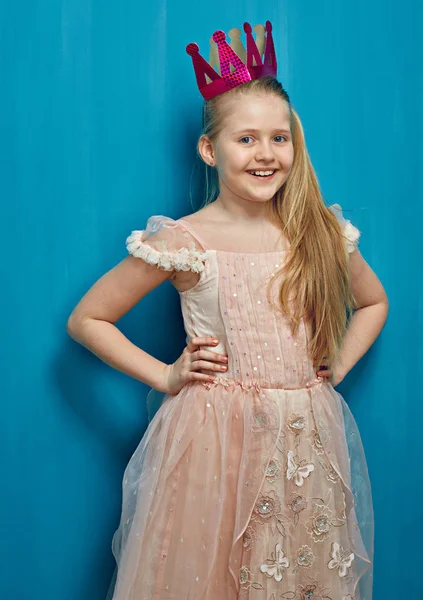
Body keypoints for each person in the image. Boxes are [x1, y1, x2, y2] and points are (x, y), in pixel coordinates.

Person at [67, 20, 388, 600]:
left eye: (279, 137)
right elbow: (88, 318)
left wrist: (335, 366)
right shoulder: (185, 242)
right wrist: (166, 375)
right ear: (210, 150)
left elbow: (372, 301)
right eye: (246, 139)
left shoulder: (318, 231)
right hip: (215, 443)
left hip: (302, 442)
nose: (266, 154)